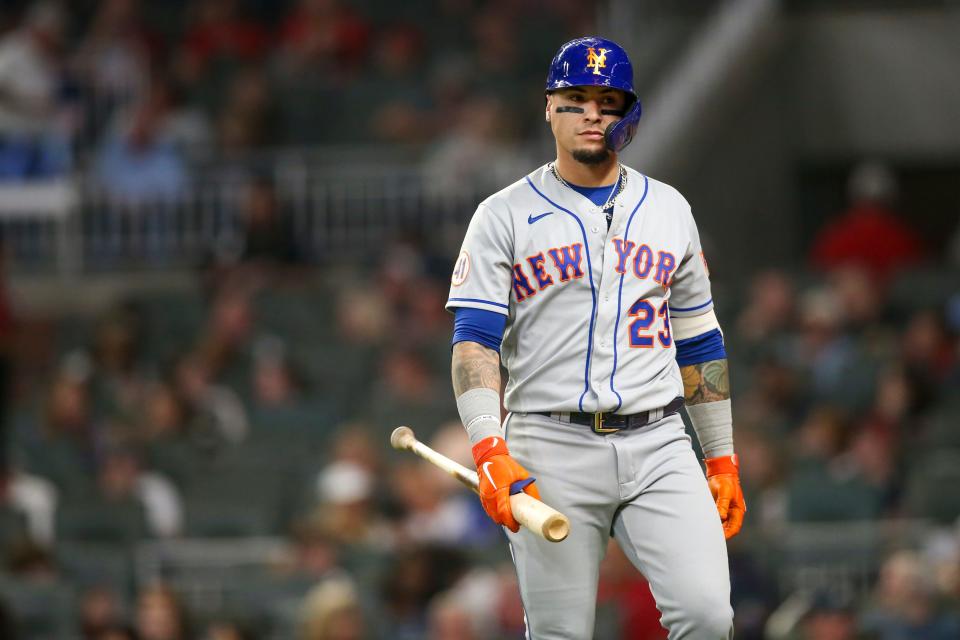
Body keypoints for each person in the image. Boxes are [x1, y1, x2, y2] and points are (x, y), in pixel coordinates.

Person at [446, 37, 745, 638]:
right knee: (561, 633)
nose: (591, 114)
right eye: (575, 98)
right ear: (548, 107)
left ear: (628, 114)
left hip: (659, 439)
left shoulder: (669, 208)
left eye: (607, 102)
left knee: (708, 616)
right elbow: (474, 342)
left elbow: (701, 342)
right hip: (550, 444)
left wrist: (721, 455)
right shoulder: (502, 215)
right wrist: (488, 447)